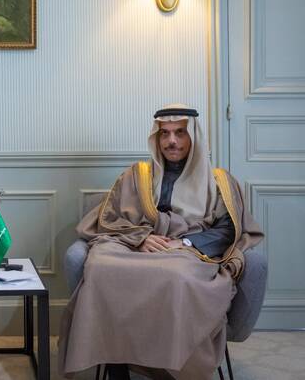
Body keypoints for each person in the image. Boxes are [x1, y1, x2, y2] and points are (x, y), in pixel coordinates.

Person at [58, 104, 264, 380]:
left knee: (177, 276)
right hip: (136, 243)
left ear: (194, 137)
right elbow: (110, 218)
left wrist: (185, 244)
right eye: (164, 133)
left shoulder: (219, 181)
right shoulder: (137, 175)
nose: (171, 141)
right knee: (100, 266)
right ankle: (116, 361)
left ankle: (171, 366)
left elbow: (229, 230)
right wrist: (140, 238)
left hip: (188, 249)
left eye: (180, 133)